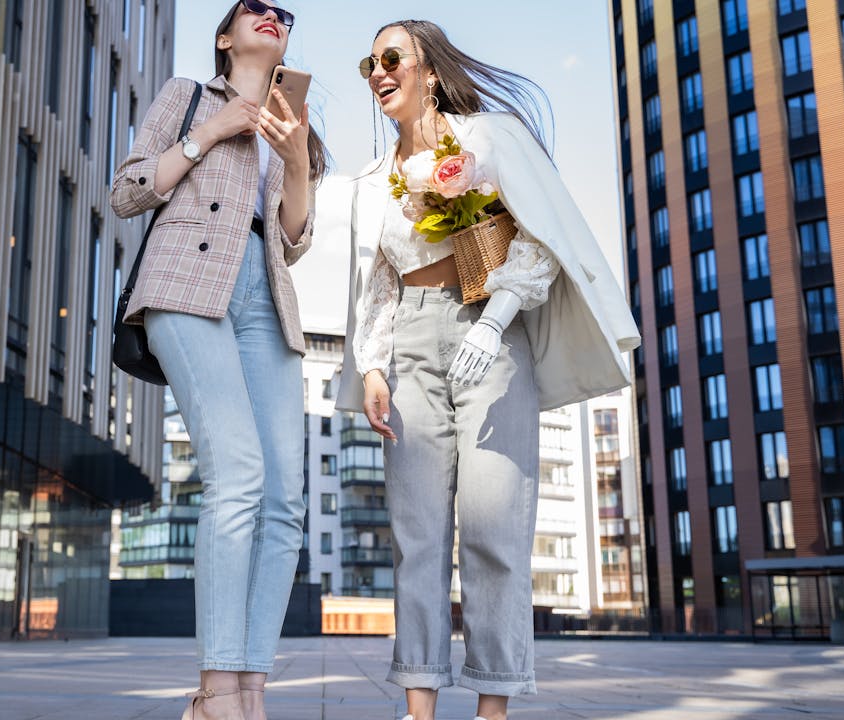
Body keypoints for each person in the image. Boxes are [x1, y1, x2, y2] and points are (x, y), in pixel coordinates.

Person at [335, 19, 641, 720]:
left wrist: (497, 321)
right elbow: (378, 281)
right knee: (416, 537)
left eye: (391, 59)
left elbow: (539, 241)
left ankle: (492, 711)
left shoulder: (490, 139)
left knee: (492, 530)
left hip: (489, 338)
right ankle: (417, 709)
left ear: (430, 72)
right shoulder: (374, 180)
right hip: (408, 345)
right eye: (368, 64)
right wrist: (374, 367)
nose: (378, 73)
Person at [110, 2, 328, 719]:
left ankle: (249, 693)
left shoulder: (294, 124)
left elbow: (293, 237)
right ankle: (214, 689)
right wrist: (212, 133)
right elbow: (127, 192)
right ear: (226, 36)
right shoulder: (186, 97)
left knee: (285, 504)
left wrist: (295, 161)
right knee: (237, 472)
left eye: (282, 13)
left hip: (266, 298)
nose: (272, 16)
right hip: (186, 283)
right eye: (254, 8)